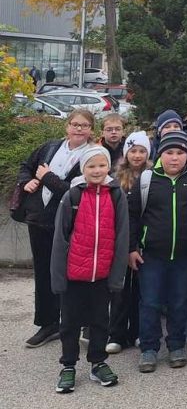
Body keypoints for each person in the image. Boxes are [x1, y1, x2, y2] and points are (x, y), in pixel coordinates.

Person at [51, 144, 128, 393]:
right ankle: (68, 365)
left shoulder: (116, 195)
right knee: (70, 322)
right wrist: (58, 277)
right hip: (74, 274)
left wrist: (117, 276)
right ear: (83, 169)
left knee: (100, 321)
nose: (97, 170)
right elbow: (60, 238)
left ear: (109, 167)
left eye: (102, 165)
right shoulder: (72, 196)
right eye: (91, 166)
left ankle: (98, 362)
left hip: (102, 274)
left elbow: (122, 236)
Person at [128, 131, 187, 373]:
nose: (174, 157)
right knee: (150, 302)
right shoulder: (146, 179)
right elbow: (132, 216)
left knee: (179, 301)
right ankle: (149, 348)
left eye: (180, 153)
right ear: (160, 155)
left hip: (185, 254)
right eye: (169, 152)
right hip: (151, 255)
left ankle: (176, 345)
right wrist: (131, 248)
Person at [16, 109, 95, 348]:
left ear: (91, 130)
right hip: (40, 220)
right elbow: (26, 166)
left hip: (71, 224)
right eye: (75, 124)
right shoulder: (50, 147)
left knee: (72, 274)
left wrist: (47, 177)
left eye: (84, 125)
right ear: (67, 126)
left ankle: (76, 321)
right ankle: (48, 323)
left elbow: (77, 192)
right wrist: (27, 180)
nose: (79, 128)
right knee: (43, 273)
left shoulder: (92, 155)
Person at [107, 131, 152, 354]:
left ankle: (137, 331)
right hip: (120, 239)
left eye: (142, 151)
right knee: (120, 289)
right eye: (133, 151)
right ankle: (116, 334)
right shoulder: (115, 179)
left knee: (141, 290)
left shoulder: (152, 176)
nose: (137, 155)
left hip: (144, 239)